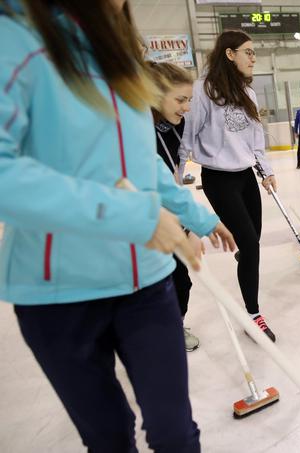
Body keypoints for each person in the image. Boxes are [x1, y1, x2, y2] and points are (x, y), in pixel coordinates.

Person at [0, 1, 236, 451]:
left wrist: (198, 217)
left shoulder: (121, 52)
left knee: (176, 434)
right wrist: (134, 216)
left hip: (145, 285)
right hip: (59, 294)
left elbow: (137, 164)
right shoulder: (16, 38)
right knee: (109, 438)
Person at [180, 30, 279, 342]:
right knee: (249, 245)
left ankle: (245, 262)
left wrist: (266, 170)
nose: (253, 58)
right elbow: (186, 139)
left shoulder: (247, 93)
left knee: (254, 243)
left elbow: (255, 137)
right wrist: (173, 185)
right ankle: (253, 315)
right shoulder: (203, 91)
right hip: (219, 179)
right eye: (247, 52)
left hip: (246, 176)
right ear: (229, 54)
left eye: (253, 52)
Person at [147, 61, 205, 352]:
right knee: (161, 282)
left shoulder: (175, 126)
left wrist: (189, 225)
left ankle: (173, 325)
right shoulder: (139, 126)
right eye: (180, 100)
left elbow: (173, 175)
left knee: (181, 281)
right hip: (145, 219)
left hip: (170, 211)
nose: (186, 108)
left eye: (189, 100)